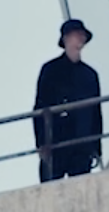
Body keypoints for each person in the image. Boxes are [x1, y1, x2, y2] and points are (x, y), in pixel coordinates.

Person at [35, 20, 104, 181]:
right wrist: (41, 143)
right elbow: (40, 107)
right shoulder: (50, 70)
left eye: (82, 35)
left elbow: (96, 112)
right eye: (76, 34)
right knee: (50, 188)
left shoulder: (89, 75)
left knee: (81, 187)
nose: (80, 38)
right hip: (56, 140)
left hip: (81, 143)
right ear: (66, 38)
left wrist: (96, 146)